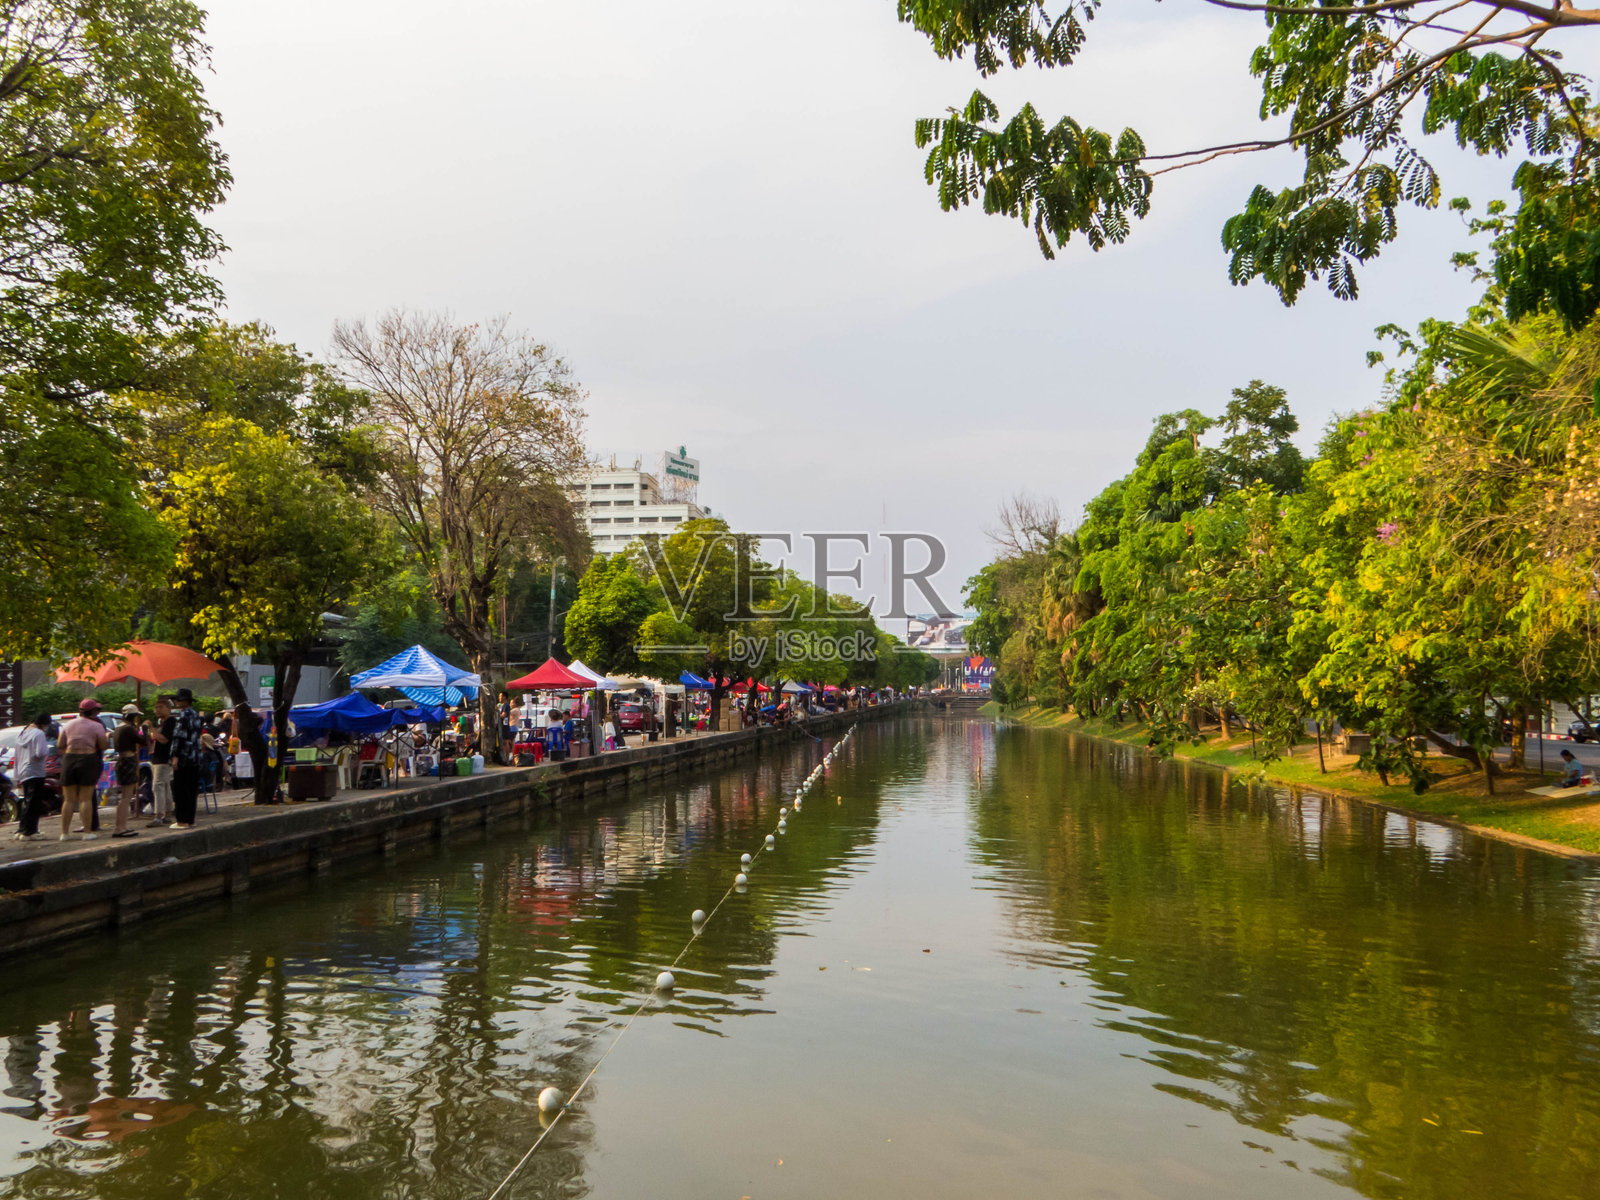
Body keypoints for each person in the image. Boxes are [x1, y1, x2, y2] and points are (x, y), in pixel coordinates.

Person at [58, 698, 108, 841]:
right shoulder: (96, 726)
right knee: (85, 799)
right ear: (92, 711)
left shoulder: (68, 725)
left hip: (69, 759)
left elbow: (60, 744)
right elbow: (103, 746)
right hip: (88, 759)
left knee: (68, 799)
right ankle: (87, 832)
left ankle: (64, 833)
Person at [167, 688, 204, 830]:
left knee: (181, 789)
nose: (176, 702)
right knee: (191, 789)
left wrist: (175, 756)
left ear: (185, 701)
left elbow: (178, 737)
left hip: (184, 756)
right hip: (195, 756)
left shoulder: (182, 716)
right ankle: (190, 819)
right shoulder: (195, 715)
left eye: (178, 700)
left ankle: (182, 820)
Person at [11, 712, 50, 840]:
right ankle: (30, 831)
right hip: (35, 771)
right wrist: (48, 750)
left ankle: (22, 829)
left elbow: (17, 756)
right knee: (34, 803)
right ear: (44, 724)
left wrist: (17, 776)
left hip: (23, 771)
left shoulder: (23, 733)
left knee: (26, 801)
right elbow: (41, 753)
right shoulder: (39, 734)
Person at [109, 704, 145, 837]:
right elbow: (143, 741)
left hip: (121, 760)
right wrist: (144, 729)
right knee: (126, 797)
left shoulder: (118, 728)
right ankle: (120, 828)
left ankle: (121, 826)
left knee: (124, 796)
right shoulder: (128, 729)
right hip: (128, 760)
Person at [145, 697, 175, 827]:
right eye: (156, 707)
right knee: (165, 786)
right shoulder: (162, 723)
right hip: (157, 757)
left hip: (163, 758)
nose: (157, 710)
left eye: (160, 707)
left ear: (168, 709)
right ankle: (167, 812)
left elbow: (164, 739)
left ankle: (158, 815)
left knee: (157, 786)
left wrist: (152, 728)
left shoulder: (170, 722)